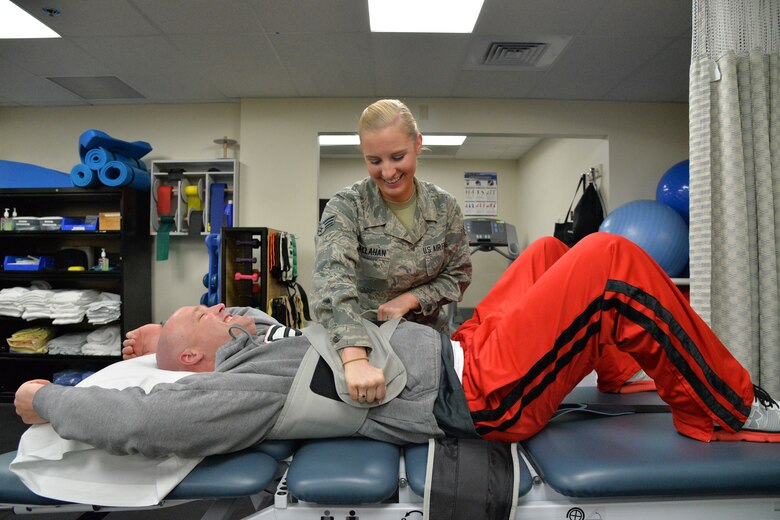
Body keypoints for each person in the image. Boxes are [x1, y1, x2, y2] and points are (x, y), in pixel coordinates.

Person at [15, 233, 780, 460]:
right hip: (477, 393)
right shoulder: (238, 386)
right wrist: (46, 399)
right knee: (609, 263)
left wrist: (157, 336)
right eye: (206, 312)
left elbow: (197, 340)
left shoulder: (258, 342)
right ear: (195, 360)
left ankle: (620, 377)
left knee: (548, 251)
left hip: (461, 346)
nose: (223, 305)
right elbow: (147, 423)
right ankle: (722, 409)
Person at [312, 99, 472, 402]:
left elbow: (458, 275)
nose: (387, 172)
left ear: (418, 143)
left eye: (398, 157)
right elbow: (332, 280)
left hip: (430, 346)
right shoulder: (348, 206)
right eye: (374, 161)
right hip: (365, 345)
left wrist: (412, 299)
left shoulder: (444, 207)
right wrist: (355, 358)